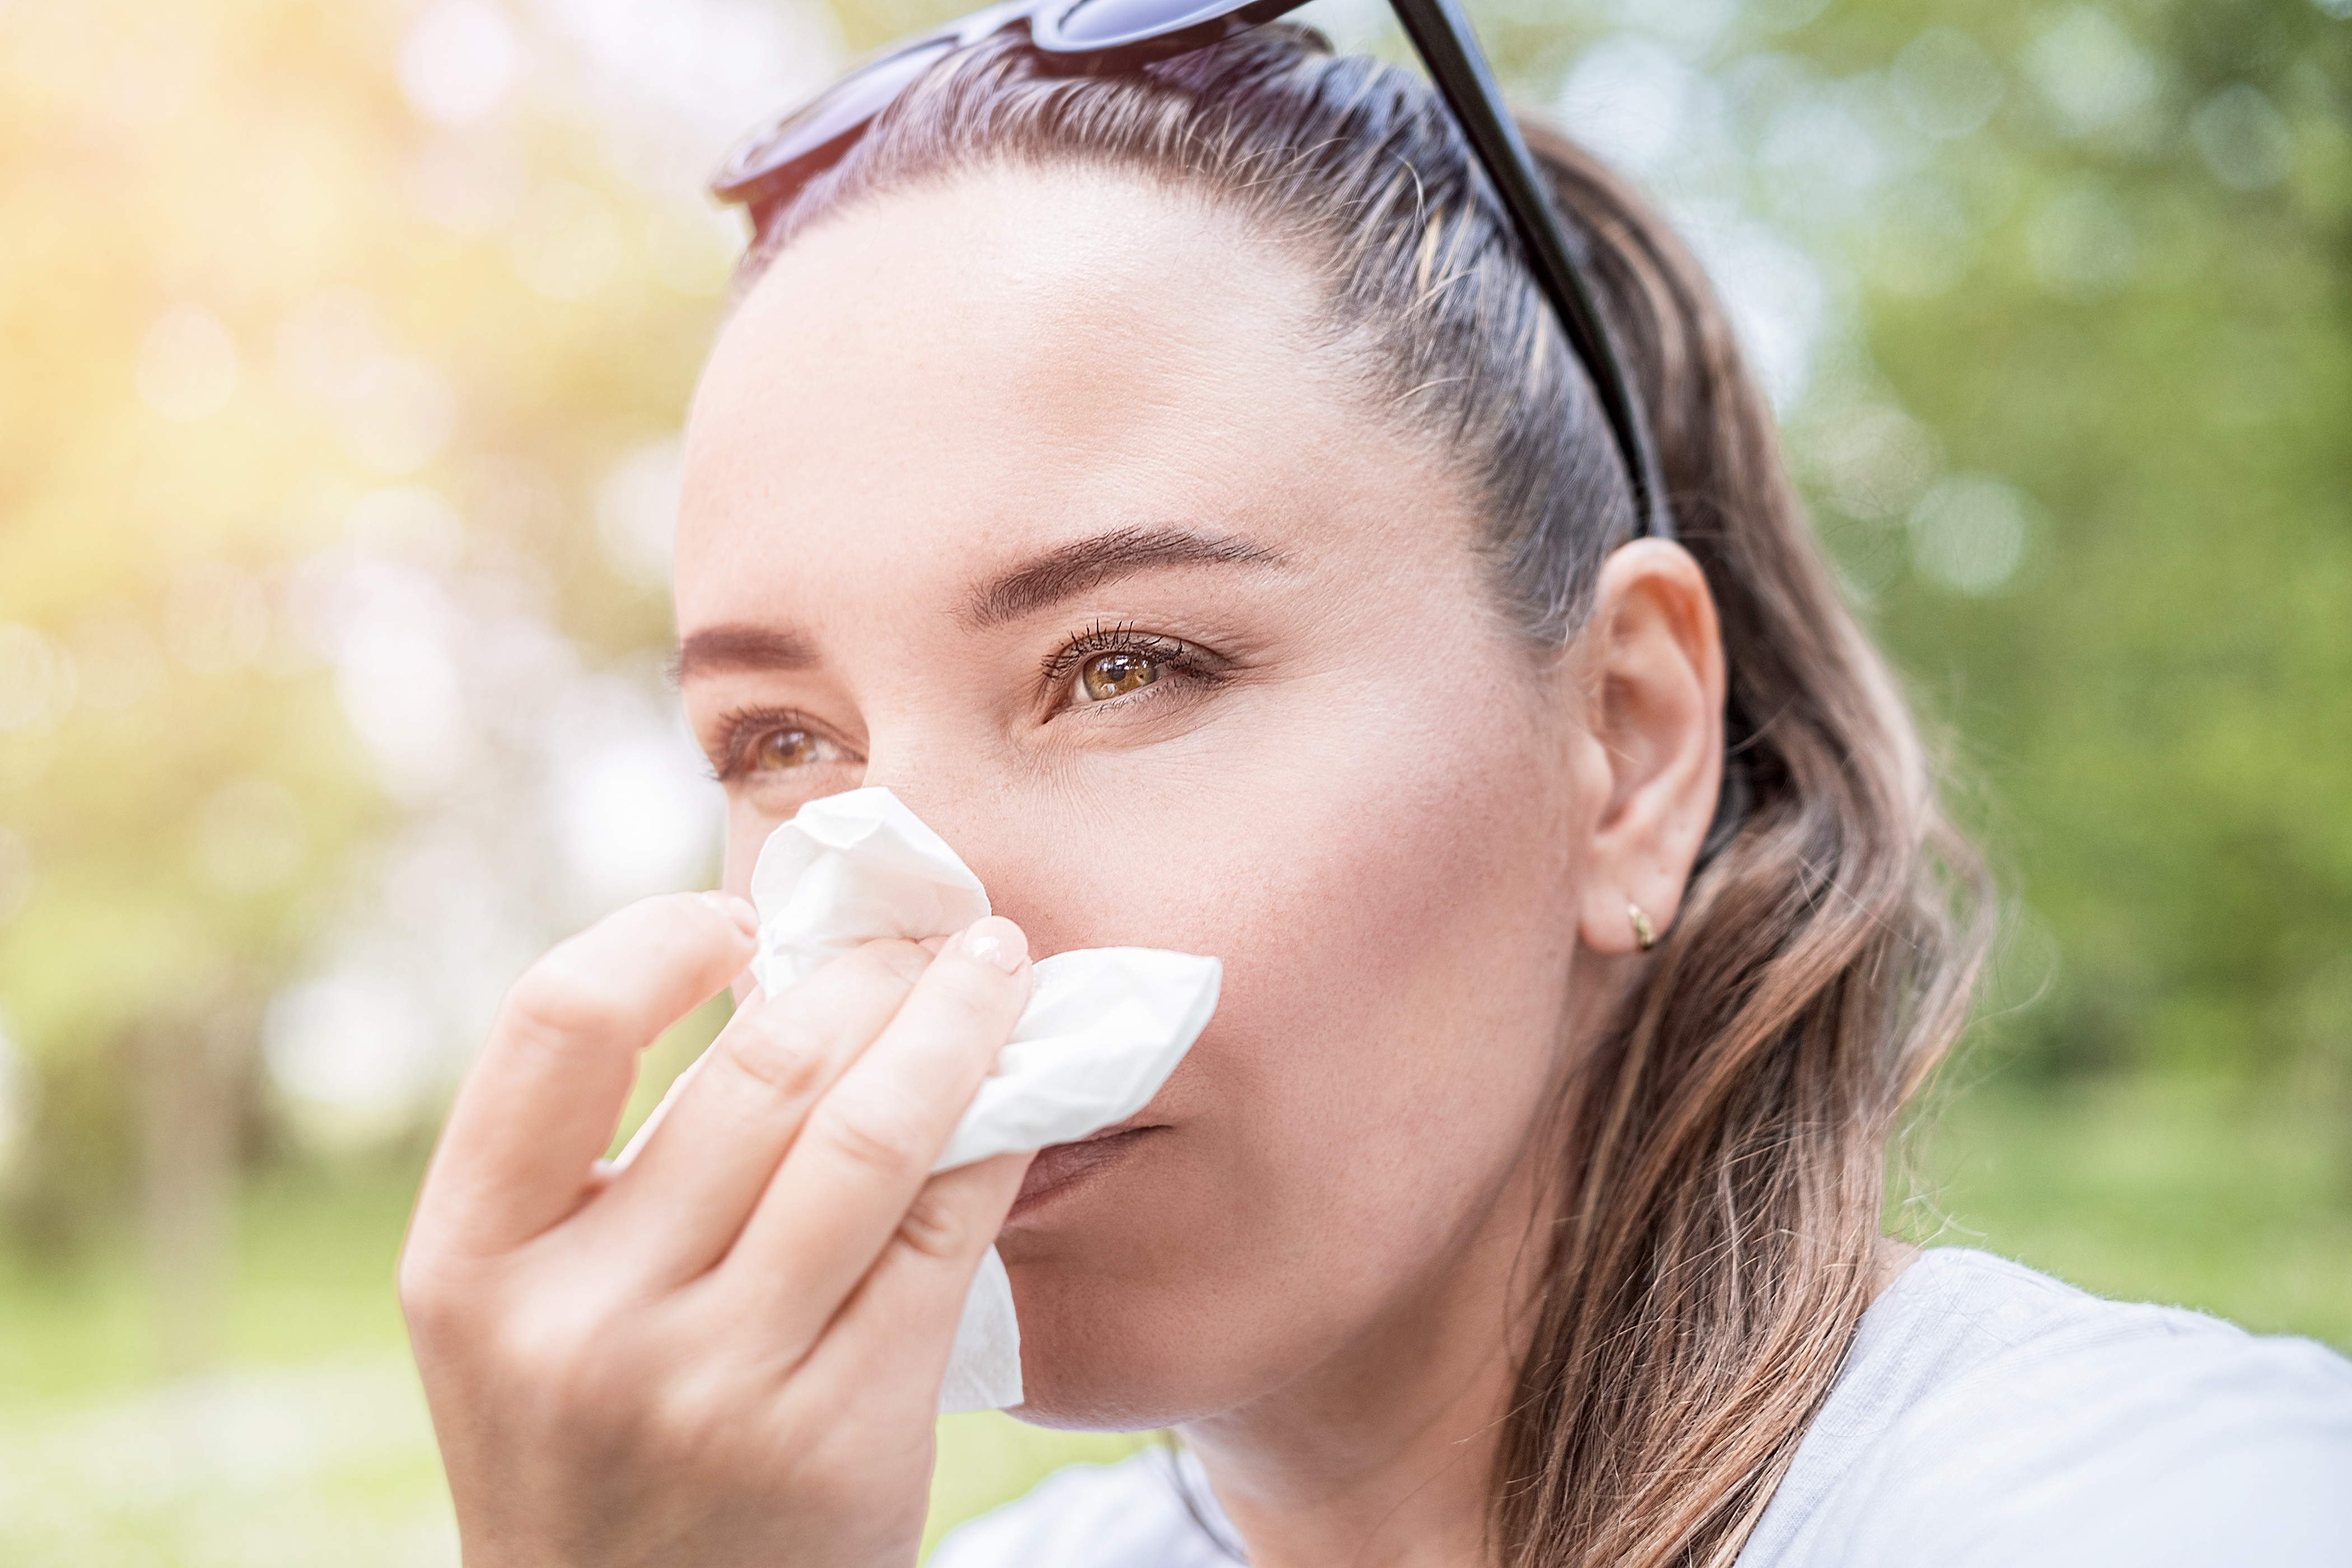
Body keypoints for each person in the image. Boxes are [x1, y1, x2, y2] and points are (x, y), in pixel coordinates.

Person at [396, 20, 2352, 1568]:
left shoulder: (2176, 1518)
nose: (907, 919)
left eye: (1124, 668)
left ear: (1629, 747)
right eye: (783, 746)